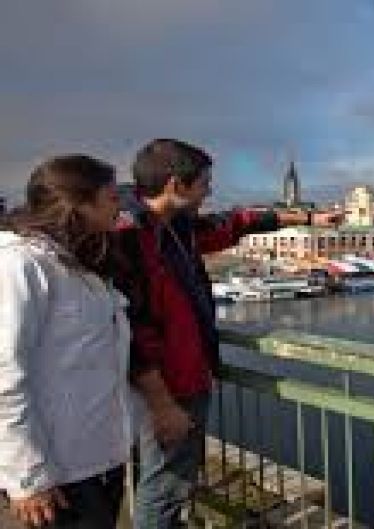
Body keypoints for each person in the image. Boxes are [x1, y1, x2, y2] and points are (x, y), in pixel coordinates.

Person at [114, 139, 308, 528]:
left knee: (163, 480)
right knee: (164, 485)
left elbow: (229, 225)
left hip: (184, 377)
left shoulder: (172, 226)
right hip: (168, 388)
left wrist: (301, 219)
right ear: (175, 185)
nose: (210, 191)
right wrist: (162, 403)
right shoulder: (128, 236)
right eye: (204, 183)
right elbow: (133, 331)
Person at [0, 155, 132, 527]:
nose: (118, 205)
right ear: (79, 205)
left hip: (95, 461)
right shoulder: (21, 265)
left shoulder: (75, 263)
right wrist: (26, 478)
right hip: (56, 474)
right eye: (110, 197)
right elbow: (4, 376)